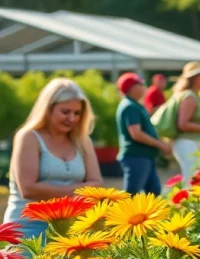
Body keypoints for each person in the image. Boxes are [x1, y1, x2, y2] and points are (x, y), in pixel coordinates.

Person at [4, 79, 103, 240]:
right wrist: (79, 191)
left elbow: (97, 185)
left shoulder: (82, 141)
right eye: (65, 112)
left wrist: (50, 192)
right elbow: (28, 189)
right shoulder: (29, 137)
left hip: (71, 228)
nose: (71, 118)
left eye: (77, 113)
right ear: (47, 109)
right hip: (27, 228)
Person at [116, 73, 171, 195]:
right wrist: (159, 144)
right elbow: (136, 134)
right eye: (140, 84)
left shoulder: (135, 105)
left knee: (153, 192)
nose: (144, 86)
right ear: (131, 87)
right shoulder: (130, 106)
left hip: (144, 156)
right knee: (132, 194)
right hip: (136, 156)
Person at [166, 62, 200, 180]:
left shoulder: (193, 95)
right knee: (192, 179)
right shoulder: (189, 97)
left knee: (195, 178)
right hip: (188, 143)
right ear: (194, 78)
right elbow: (183, 124)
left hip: (192, 142)